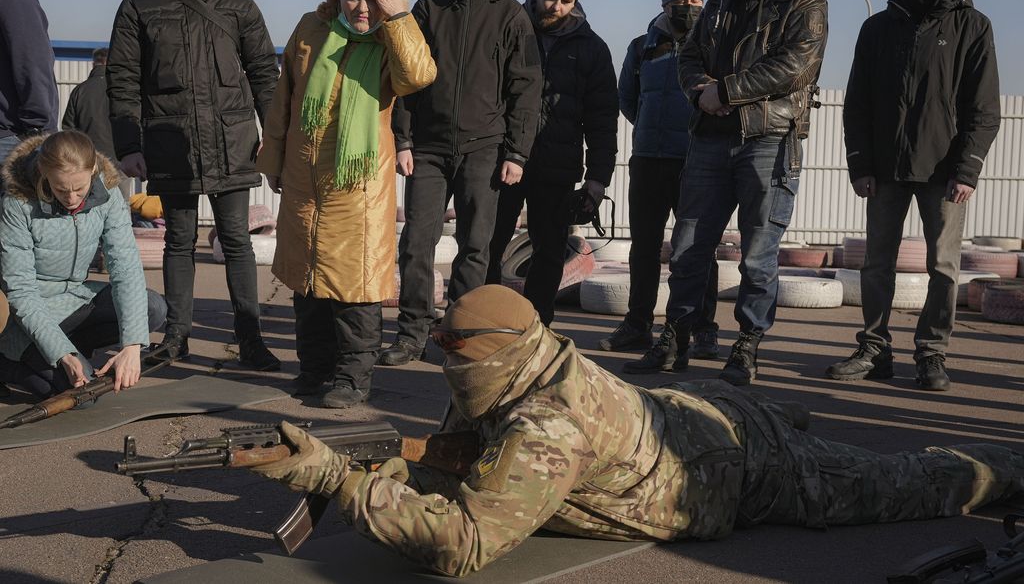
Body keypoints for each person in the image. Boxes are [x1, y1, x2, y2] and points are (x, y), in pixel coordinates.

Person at [252, 284, 1023, 577]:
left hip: (737, 465)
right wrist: (386, 467)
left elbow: (464, 544)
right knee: (771, 423)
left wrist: (336, 479)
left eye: (457, 358)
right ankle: (786, 416)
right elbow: (456, 459)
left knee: (915, 479)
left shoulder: (544, 425)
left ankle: (1013, 464)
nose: (449, 373)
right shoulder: (520, 371)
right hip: (682, 417)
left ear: (493, 360)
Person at [627, 0, 828, 383]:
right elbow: (690, 56)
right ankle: (675, 338)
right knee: (687, 246)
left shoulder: (805, 1)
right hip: (710, 139)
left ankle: (747, 344)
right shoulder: (716, 5)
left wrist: (728, 91)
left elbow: (795, 66)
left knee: (758, 251)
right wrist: (701, 91)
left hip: (769, 139)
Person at [256, 0, 436, 408]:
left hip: (358, 185)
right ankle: (315, 370)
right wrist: (273, 161)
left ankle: (353, 378)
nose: (361, 8)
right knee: (306, 282)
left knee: (355, 287)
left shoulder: (390, 42)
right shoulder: (311, 29)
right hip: (303, 178)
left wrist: (396, 15)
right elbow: (285, 101)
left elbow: (419, 75)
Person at [106, 0, 281, 370]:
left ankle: (251, 340)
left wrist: (275, 138)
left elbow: (265, 72)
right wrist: (128, 144)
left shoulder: (238, 3)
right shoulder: (139, 5)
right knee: (178, 241)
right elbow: (122, 79)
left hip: (231, 138)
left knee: (237, 240)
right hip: (170, 140)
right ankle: (175, 338)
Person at [828, 0, 1000, 392]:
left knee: (943, 267)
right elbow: (857, 103)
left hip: (944, 173)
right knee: (876, 264)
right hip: (884, 170)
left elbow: (983, 110)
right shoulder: (877, 28)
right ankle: (874, 350)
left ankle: (931, 354)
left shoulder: (973, 26)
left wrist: (968, 169)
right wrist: (860, 164)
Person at [378, 0, 542, 367]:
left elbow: (526, 87)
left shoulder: (511, 15)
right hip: (428, 149)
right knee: (416, 244)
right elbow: (405, 78)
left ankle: (459, 336)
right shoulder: (429, 9)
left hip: (484, 149)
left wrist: (517, 152)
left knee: (476, 247)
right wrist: (404, 140)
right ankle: (411, 334)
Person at [485, 0, 617, 326]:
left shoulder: (593, 49)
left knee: (548, 252)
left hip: (556, 168)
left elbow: (603, 119)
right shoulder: (510, 30)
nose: (555, 6)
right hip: (502, 161)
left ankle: (537, 325)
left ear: (575, 2)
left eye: (564, 0)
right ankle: (487, 321)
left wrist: (597, 178)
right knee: (488, 246)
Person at [602, 0, 721, 362]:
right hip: (648, 162)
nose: (687, 8)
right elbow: (627, 99)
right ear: (664, 4)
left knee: (697, 250)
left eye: (694, 2)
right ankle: (637, 324)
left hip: (695, 162)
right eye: (679, 2)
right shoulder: (641, 48)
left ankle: (703, 329)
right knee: (644, 248)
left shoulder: (714, 46)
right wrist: (654, 126)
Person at [0, 131, 167, 398]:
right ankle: (7, 363)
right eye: (60, 189)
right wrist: (62, 353)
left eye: (80, 188)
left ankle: (74, 349)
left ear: (93, 170)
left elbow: (125, 266)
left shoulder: (109, 194)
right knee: (81, 395)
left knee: (154, 308)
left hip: (77, 299)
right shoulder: (17, 203)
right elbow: (21, 292)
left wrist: (133, 345)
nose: (72, 199)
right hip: (33, 315)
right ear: (43, 172)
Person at [0, 0, 57, 167]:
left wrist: (37, 129)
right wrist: (39, 127)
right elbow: (32, 57)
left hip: (14, 136)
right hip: (13, 136)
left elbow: (30, 57)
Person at [62, 48, 131, 201]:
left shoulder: (80, 90)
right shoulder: (123, 90)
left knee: (90, 205)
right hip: (121, 157)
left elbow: (68, 128)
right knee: (121, 204)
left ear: (94, 64)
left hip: (89, 160)